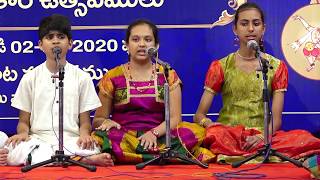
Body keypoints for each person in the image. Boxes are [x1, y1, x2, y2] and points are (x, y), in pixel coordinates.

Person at [193, 2, 320, 164]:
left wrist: (262, 136)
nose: (251, 29)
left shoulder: (275, 66)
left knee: (304, 138)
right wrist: (210, 124)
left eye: (256, 23)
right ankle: (251, 152)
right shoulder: (221, 66)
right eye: (244, 24)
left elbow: (277, 119)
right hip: (229, 135)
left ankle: (250, 151)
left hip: (263, 135)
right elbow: (199, 115)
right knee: (215, 135)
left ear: (263, 29)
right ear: (235, 29)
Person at [92, 19, 215, 164]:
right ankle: (160, 155)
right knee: (100, 135)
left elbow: (175, 119)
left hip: (160, 136)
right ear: (126, 45)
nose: (142, 44)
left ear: (156, 46)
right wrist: (107, 122)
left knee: (194, 132)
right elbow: (98, 120)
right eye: (135, 39)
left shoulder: (168, 74)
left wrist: (153, 133)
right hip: (124, 136)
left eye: (148, 39)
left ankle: (128, 155)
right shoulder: (112, 77)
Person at [1, 14, 113, 166]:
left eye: (61, 36)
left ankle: (64, 158)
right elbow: (23, 121)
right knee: (9, 145)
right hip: (37, 139)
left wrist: (85, 135)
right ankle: (80, 160)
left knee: (93, 147)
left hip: (71, 139)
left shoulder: (82, 77)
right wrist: (22, 134)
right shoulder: (30, 77)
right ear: (40, 44)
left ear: (70, 43)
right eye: (49, 37)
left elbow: (85, 121)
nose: (55, 41)